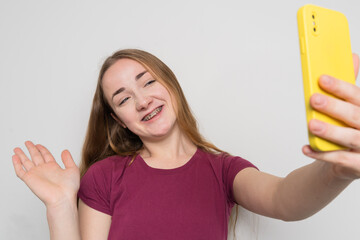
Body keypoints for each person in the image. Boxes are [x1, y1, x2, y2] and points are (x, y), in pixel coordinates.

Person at [12, 49, 360, 240]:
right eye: (123, 99)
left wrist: (336, 171)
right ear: (119, 120)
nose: (142, 100)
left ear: (171, 86)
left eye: (148, 82)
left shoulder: (222, 169)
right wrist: (59, 205)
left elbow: (285, 200)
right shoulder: (104, 176)